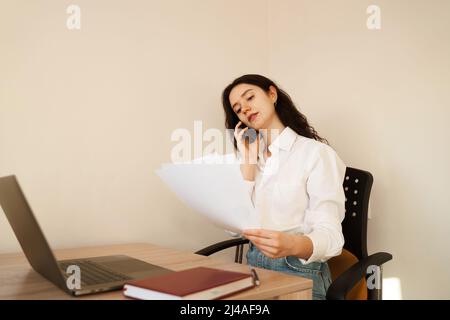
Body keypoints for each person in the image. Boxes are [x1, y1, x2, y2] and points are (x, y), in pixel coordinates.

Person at [222, 74, 346, 300]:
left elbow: (332, 238)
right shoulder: (251, 158)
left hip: (298, 271)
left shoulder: (316, 154)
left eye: (250, 97)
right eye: (238, 109)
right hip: (254, 269)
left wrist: (293, 244)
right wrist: (248, 166)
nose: (246, 109)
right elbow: (232, 228)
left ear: (272, 94)